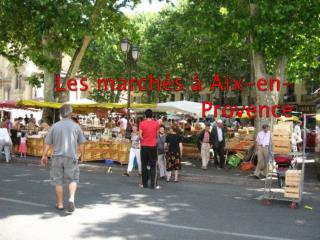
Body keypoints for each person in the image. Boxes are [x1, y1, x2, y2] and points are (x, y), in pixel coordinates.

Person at [41, 104, 86, 213]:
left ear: (61, 114)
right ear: (70, 114)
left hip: (57, 157)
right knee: (73, 179)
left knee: (58, 181)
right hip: (71, 157)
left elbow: (47, 143)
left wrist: (44, 155)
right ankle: (71, 199)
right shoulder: (76, 126)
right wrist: (82, 155)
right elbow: (81, 143)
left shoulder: (54, 126)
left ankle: (60, 204)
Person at [139, 109, 160, 189]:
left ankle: (144, 184)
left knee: (144, 165)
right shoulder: (156, 123)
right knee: (153, 165)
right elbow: (157, 135)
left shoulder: (142, 123)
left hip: (144, 146)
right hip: (153, 146)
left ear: (145, 115)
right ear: (152, 115)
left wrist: (143, 139)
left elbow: (140, 136)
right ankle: (153, 184)